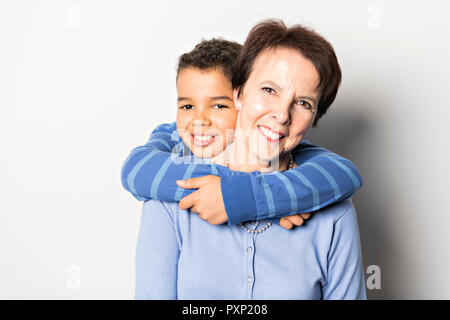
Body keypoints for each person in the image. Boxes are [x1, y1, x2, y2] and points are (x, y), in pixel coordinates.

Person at [134, 19, 366, 299]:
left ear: (315, 117)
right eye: (269, 90)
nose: (282, 114)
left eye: (304, 103)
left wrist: (251, 196)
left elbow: (346, 173)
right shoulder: (167, 202)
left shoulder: (333, 213)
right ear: (238, 93)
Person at [121, 41, 362, 229]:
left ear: (241, 100)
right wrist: (253, 195)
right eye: (187, 106)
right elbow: (135, 169)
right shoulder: (175, 137)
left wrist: (249, 196)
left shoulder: (282, 149)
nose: (199, 120)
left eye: (219, 106)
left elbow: (344, 173)